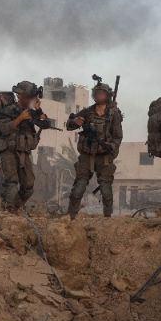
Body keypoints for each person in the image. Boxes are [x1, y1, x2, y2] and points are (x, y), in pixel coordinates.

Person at [66, 79, 123, 218]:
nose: (99, 96)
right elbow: (69, 125)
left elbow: (118, 137)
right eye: (96, 93)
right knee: (78, 188)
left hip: (104, 157)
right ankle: (70, 217)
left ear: (107, 95)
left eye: (102, 93)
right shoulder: (87, 112)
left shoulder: (113, 114)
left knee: (106, 190)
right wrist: (75, 121)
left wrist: (111, 150)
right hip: (87, 155)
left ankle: (107, 218)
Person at [0, 81, 51, 212]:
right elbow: (4, 129)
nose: (32, 100)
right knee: (12, 183)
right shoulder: (7, 111)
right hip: (9, 150)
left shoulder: (32, 112)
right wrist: (20, 118)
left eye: (33, 97)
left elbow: (46, 124)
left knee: (28, 185)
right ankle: (7, 210)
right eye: (29, 97)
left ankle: (14, 207)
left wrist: (38, 110)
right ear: (20, 96)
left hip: (24, 152)